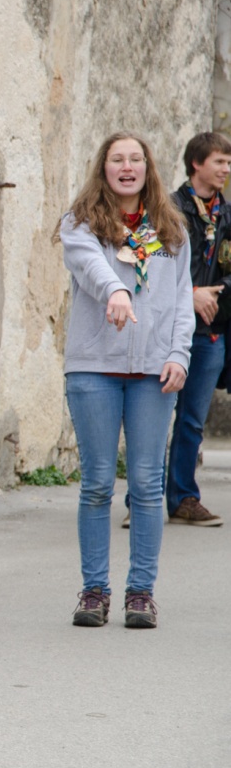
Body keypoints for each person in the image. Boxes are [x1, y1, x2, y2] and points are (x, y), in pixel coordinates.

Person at [59, 133, 192, 630]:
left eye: (136, 158)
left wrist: (179, 354)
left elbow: (182, 301)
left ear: (148, 168)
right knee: (96, 483)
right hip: (94, 365)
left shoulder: (170, 228)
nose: (127, 166)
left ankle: (141, 593)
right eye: (118, 159)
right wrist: (116, 289)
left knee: (146, 483)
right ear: (105, 168)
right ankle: (94, 591)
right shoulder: (81, 223)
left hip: (153, 370)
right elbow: (90, 266)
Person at [160, 132, 231, 527]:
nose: (226, 169)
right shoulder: (167, 208)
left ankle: (184, 498)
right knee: (155, 414)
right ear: (197, 164)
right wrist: (189, 293)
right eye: (220, 161)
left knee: (191, 420)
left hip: (209, 333)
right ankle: (145, 499)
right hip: (166, 330)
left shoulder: (228, 214)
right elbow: (144, 266)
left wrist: (216, 293)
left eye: (228, 163)